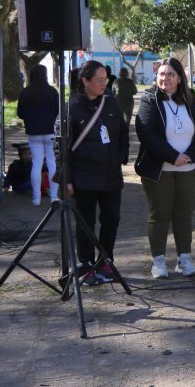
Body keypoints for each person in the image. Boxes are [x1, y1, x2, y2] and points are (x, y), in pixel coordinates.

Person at [135, 57, 195, 279]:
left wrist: (191, 156)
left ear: (180, 78)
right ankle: (158, 262)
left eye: (170, 74)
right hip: (160, 170)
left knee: (183, 215)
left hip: (187, 169)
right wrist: (172, 156)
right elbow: (146, 133)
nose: (165, 78)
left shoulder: (190, 101)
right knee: (159, 215)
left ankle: (184, 260)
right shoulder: (149, 100)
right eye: (161, 74)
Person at [67, 60, 129, 286]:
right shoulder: (71, 108)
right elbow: (62, 147)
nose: (104, 84)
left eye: (106, 80)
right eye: (99, 80)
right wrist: (68, 179)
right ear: (85, 81)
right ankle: (86, 264)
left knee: (111, 219)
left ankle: (105, 261)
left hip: (110, 176)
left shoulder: (111, 104)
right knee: (86, 223)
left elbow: (122, 133)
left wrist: (120, 157)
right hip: (83, 178)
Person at [17, 64, 59, 205]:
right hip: (50, 132)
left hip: (33, 133)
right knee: (53, 163)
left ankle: (36, 198)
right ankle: (54, 197)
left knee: (36, 164)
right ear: (45, 75)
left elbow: (20, 113)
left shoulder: (25, 92)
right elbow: (57, 111)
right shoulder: (53, 92)